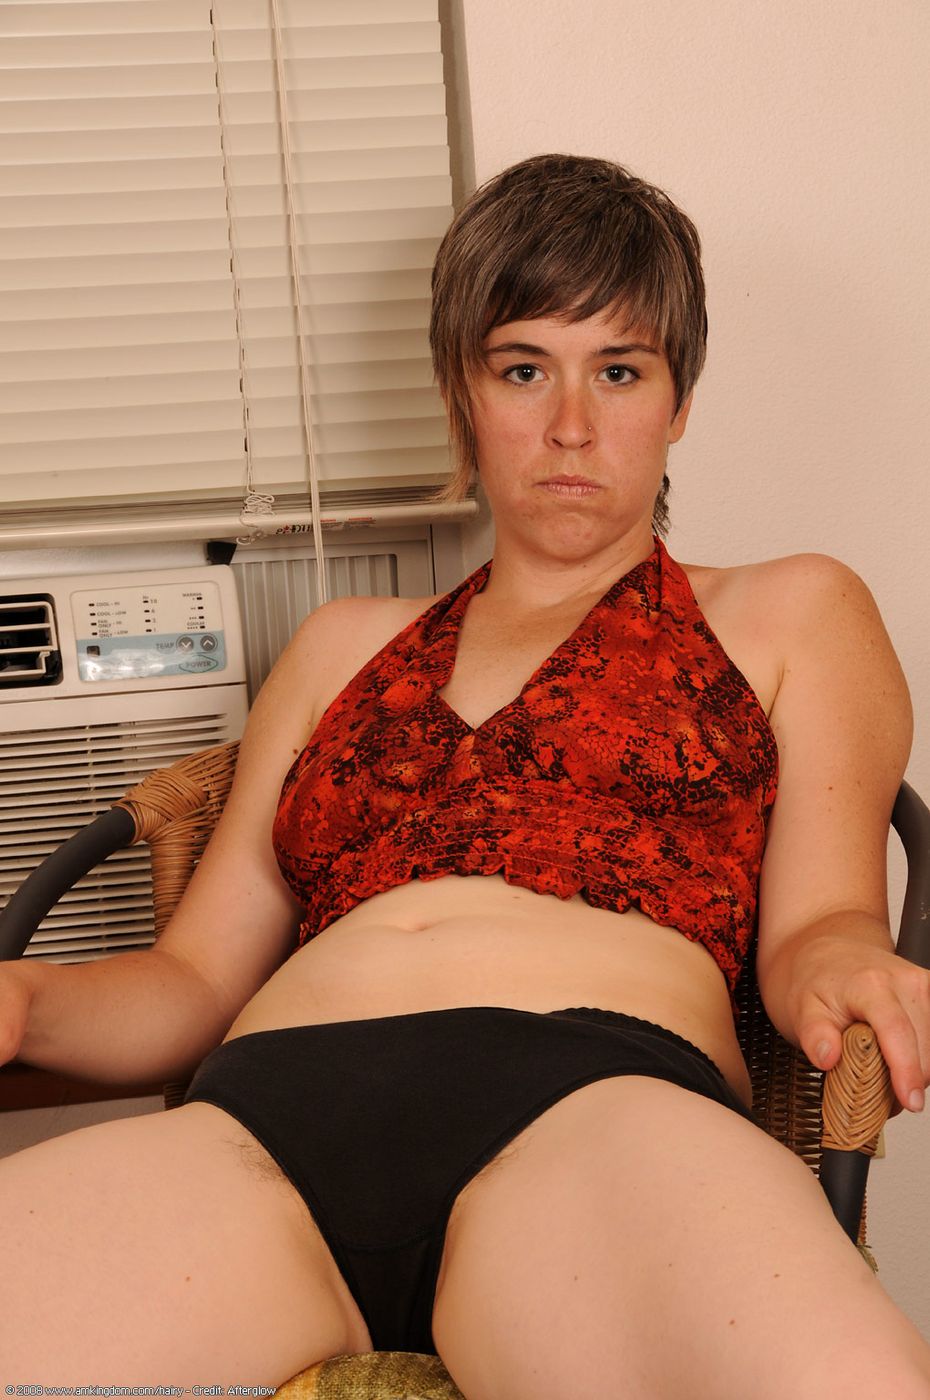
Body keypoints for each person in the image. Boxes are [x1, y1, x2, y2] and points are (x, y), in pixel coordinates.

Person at [1, 152, 929, 1398]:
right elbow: (191, 981)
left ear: (679, 398)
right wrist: (23, 1002)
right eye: (522, 368)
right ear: (463, 390)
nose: (571, 426)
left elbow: (823, 918)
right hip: (263, 1126)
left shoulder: (789, 610)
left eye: (620, 370)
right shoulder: (339, 646)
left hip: (593, 1105)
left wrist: (845, 965)